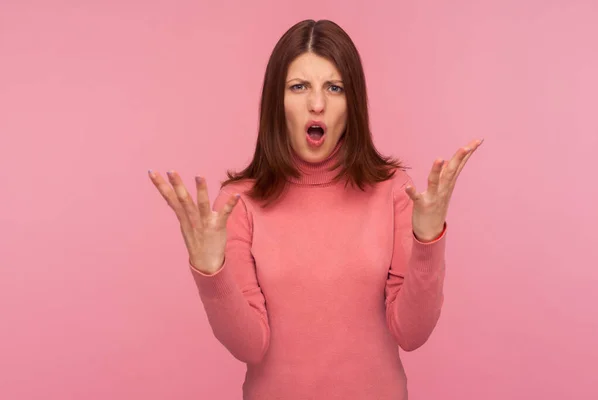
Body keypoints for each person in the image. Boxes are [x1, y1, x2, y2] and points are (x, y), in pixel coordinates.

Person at [149, 19, 483, 400]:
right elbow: (249, 347)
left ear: (352, 102)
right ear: (277, 101)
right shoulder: (238, 202)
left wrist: (427, 242)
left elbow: (412, 334)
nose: (317, 103)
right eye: (299, 86)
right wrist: (212, 273)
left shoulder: (392, 190)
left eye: (334, 87)